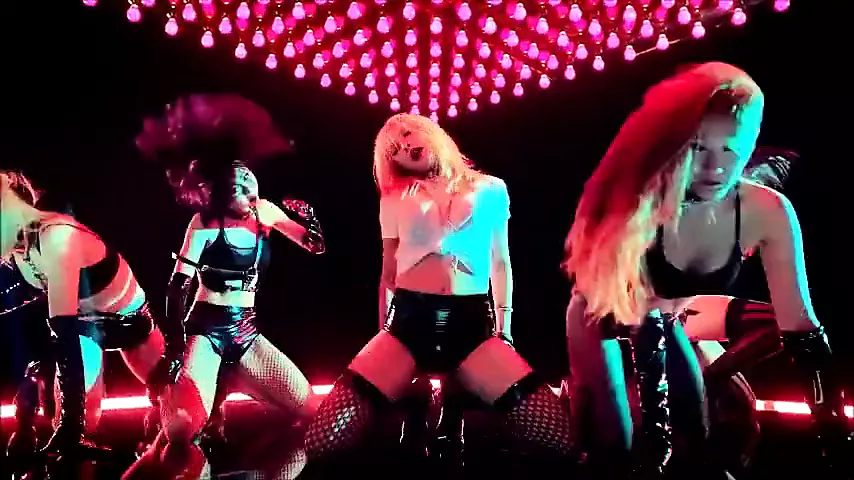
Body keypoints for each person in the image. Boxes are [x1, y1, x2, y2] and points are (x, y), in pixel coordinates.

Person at [563, 62, 850, 477]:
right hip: (603, 315)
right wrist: (659, 439)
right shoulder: (641, 204)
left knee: (697, 438)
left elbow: (802, 332)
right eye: (699, 148)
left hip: (667, 316)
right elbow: (630, 313)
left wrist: (837, 442)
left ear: (751, 144)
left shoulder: (766, 211)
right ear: (678, 144)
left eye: (731, 150)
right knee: (618, 447)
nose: (716, 166)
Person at [304, 113, 575, 466]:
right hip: (408, 323)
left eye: (407, 134)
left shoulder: (491, 189)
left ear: (429, 131)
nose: (404, 146)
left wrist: (504, 329)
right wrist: (383, 334)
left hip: (471, 325)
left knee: (558, 438)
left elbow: (500, 262)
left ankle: (456, 394)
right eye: (394, 150)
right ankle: (419, 395)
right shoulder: (394, 197)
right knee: (322, 440)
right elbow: (389, 273)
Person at [132, 94, 324, 474]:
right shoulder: (204, 224)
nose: (242, 182)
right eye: (233, 181)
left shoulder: (265, 213)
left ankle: (230, 397)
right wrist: (175, 348)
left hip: (246, 331)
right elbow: (177, 287)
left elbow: (314, 246)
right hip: (207, 330)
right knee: (181, 432)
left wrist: (310, 219)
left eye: (246, 177)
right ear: (219, 189)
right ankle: (175, 401)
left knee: (313, 412)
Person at [0, 171, 166, 459]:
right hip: (84, 325)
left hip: (129, 320)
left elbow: (62, 335)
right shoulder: (19, 250)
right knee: (81, 424)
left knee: (178, 416)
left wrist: (69, 426)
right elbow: (29, 304)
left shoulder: (57, 236)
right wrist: (71, 426)